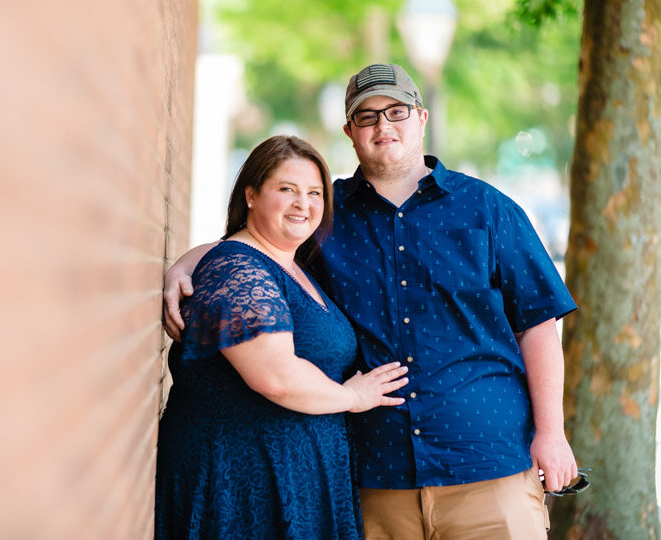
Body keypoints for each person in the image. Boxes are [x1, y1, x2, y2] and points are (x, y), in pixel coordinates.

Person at [163, 64, 580, 540]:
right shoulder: (324, 215)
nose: (384, 126)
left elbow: (537, 324)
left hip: (488, 468)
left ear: (421, 118)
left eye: (396, 111)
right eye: (367, 116)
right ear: (350, 132)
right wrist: (186, 264)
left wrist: (552, 432)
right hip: (376, 477)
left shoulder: (488, 208)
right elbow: (259, 247)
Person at [154, 135, 409, 540]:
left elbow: (220, 253)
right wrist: (354, 397)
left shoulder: (292, 264)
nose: (302, 204)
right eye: (286, 189)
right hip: (242, 492)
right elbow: (275, 376)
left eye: (313, 193)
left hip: (293, 484)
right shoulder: (237, 267)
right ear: (251, 194)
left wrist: (183, 263)